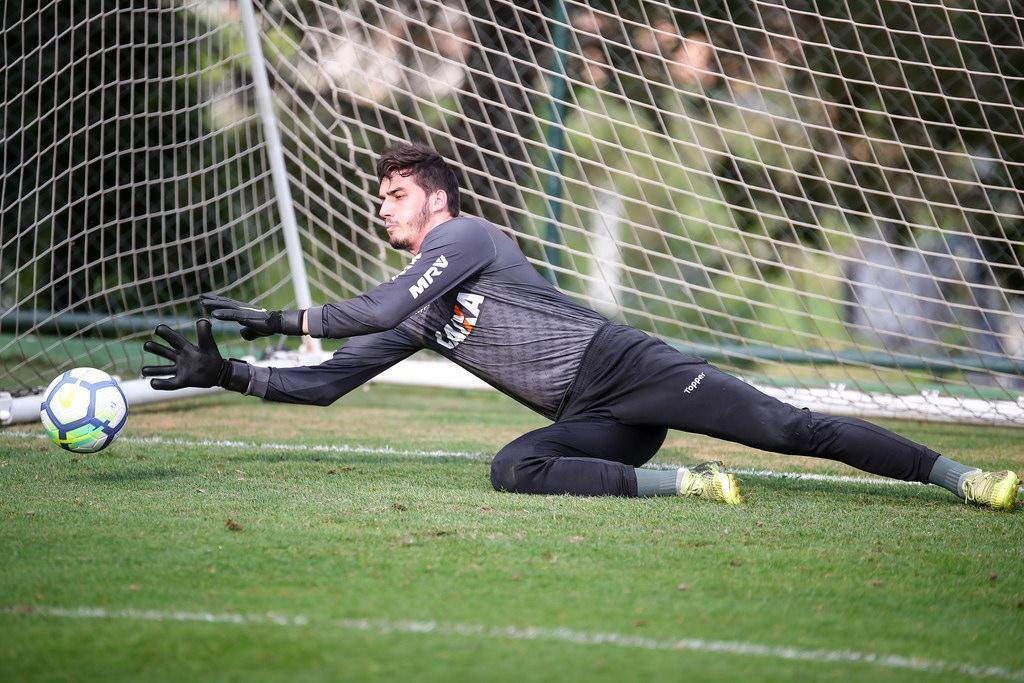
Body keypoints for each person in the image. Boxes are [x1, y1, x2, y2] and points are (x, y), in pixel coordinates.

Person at [142, 142, 1021, 511]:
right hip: (600, 415)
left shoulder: (465, 237)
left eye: (396, 194)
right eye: (380, 198)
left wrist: (273, 317)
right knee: (513, 466)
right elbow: (329, 380)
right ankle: (692, 485)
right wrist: (229, 375)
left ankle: (965, 477)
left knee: (790, 428)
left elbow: (371, 309)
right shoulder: (419, 307)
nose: (384, 208)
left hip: (629, 365)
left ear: (437, 200)